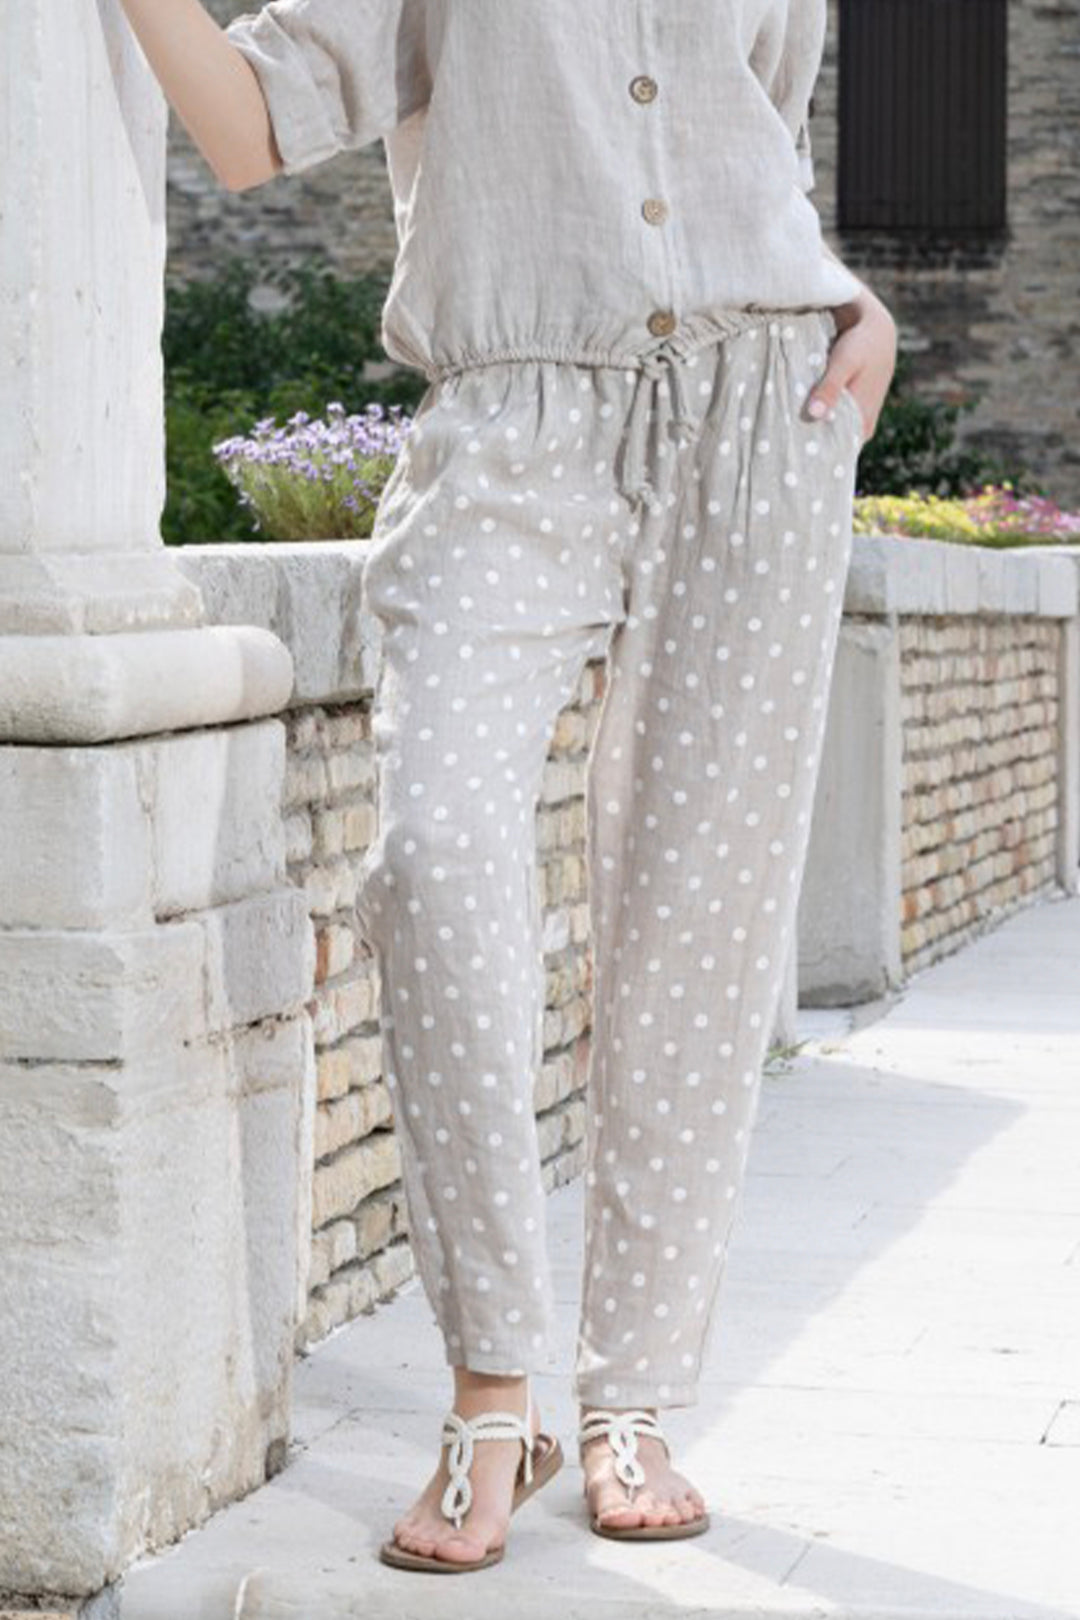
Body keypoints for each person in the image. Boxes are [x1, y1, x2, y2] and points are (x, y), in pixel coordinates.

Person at [123, 0, 898, 1575]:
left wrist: (845, 300)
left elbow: (753, 130)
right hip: (512, 419)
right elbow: (252, 124)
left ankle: (632, 1406)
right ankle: (497, 1392)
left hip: (769, 416)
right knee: (434, 851)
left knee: (697, 924)